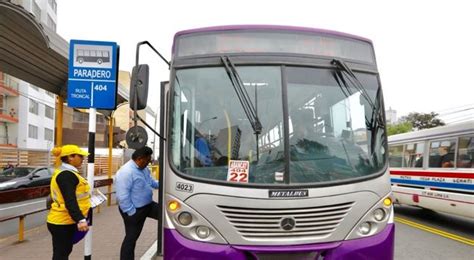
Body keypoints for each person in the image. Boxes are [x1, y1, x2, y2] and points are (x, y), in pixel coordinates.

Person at [47, 144, 91, 260]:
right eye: (80, 156)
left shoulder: (67, 173)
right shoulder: (66, 175)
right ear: (70, 157)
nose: (83, 159)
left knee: (63, 252)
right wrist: (80, 219)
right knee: (61, 254)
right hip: (62, 221)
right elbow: (69, 200)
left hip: (64, 220)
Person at [115, 146, 159, 260]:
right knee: (131, 238)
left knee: (166, 214)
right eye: (147, 160)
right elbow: (122, 196)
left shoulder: (144, 168)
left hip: (148, 206)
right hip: (134, 210)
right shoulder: (126, 172)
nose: (148, 163)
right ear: (140, 159)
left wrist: (164, 182)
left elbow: (151, 182)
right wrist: (131, 212)